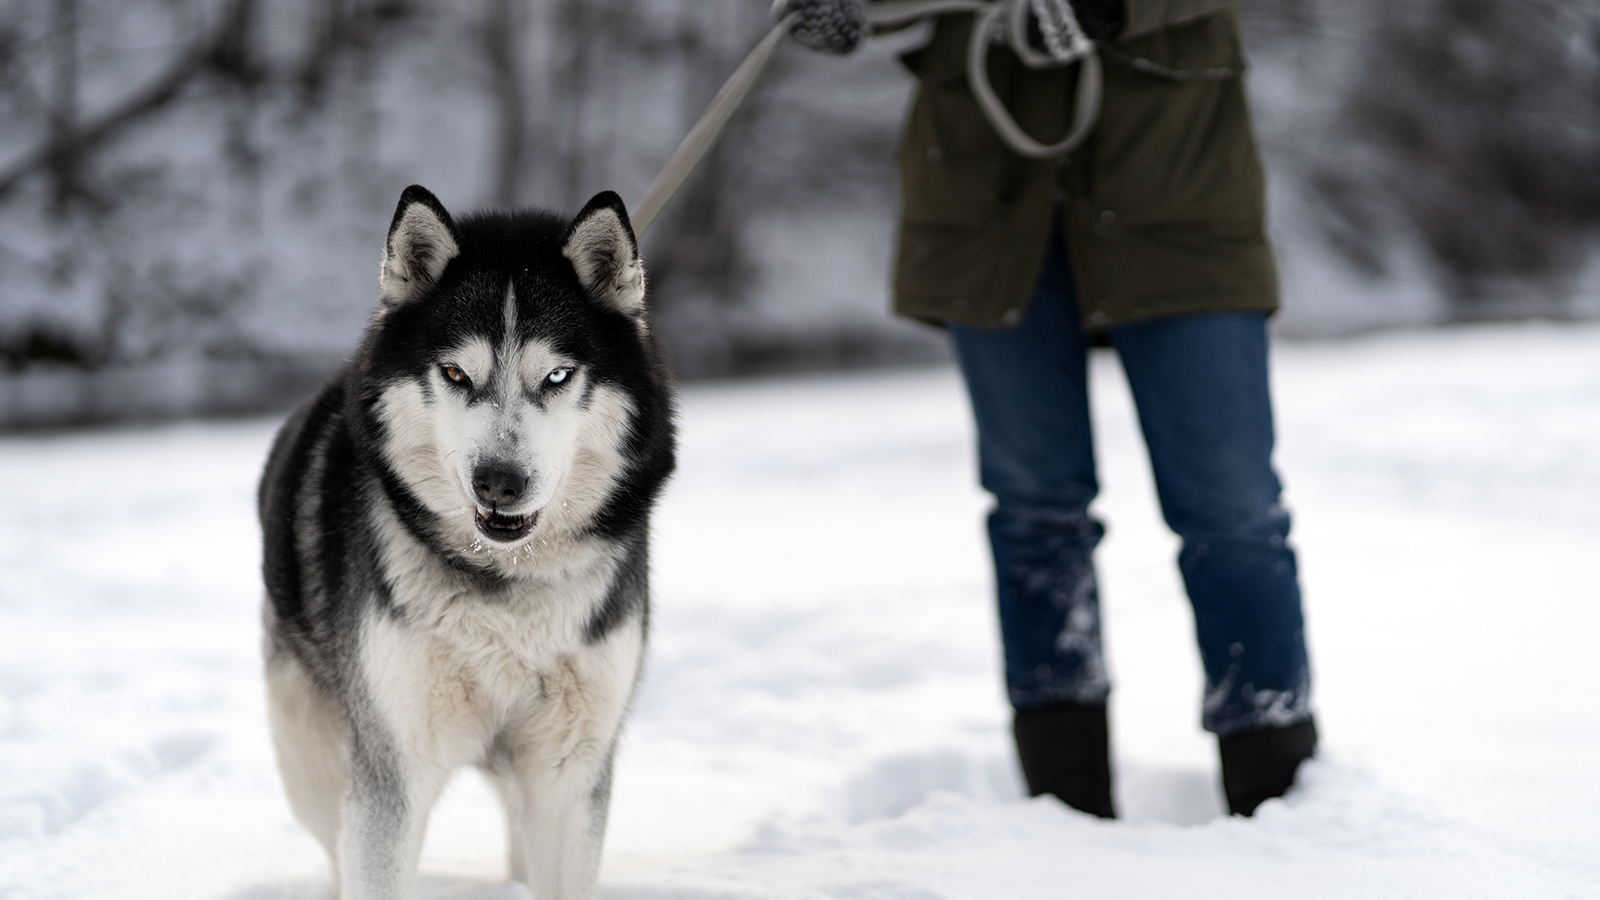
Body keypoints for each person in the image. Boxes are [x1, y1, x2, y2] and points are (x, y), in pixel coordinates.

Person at [778, 0, 1317, 817]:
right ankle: (1060, 811)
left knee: (1231, 507)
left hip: (1181, 192)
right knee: (1034, 506)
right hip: (986, 202)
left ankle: (1279, 796)